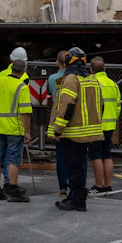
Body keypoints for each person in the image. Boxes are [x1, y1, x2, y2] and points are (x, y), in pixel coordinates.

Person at [51, 47, 103, 212]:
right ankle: (75, 196)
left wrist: (58, 129)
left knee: (73, 167)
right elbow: (100, 105)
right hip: (88, 131)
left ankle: (77, 200)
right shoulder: (92, 79)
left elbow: (67, 106)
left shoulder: (71, 80)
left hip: (72, 132)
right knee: (79, 166)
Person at [0, 48, 33, 202]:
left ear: (11, 67)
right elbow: (25, 112)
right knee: (13, 159)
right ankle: (12, 190)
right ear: (24, 70)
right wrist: (27, 132)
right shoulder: (22, 87)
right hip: (14, 128)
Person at [88, 57, 121, 195]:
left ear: (91, 70)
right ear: (104, 69)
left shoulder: (92, 83)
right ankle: (108, 185)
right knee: (107, 155)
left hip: (96, 125)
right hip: (110, 124)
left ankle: (98, 185)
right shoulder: (113, 84)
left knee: (96, 155)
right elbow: (118, 106)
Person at [47, 50, 69, 198]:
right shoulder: (76, 78)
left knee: (60, 154)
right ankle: (75, 184)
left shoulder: (52, 78)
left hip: (57, 116)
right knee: (75, 154)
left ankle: (63, 186)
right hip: (72, 119)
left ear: (57, 62)